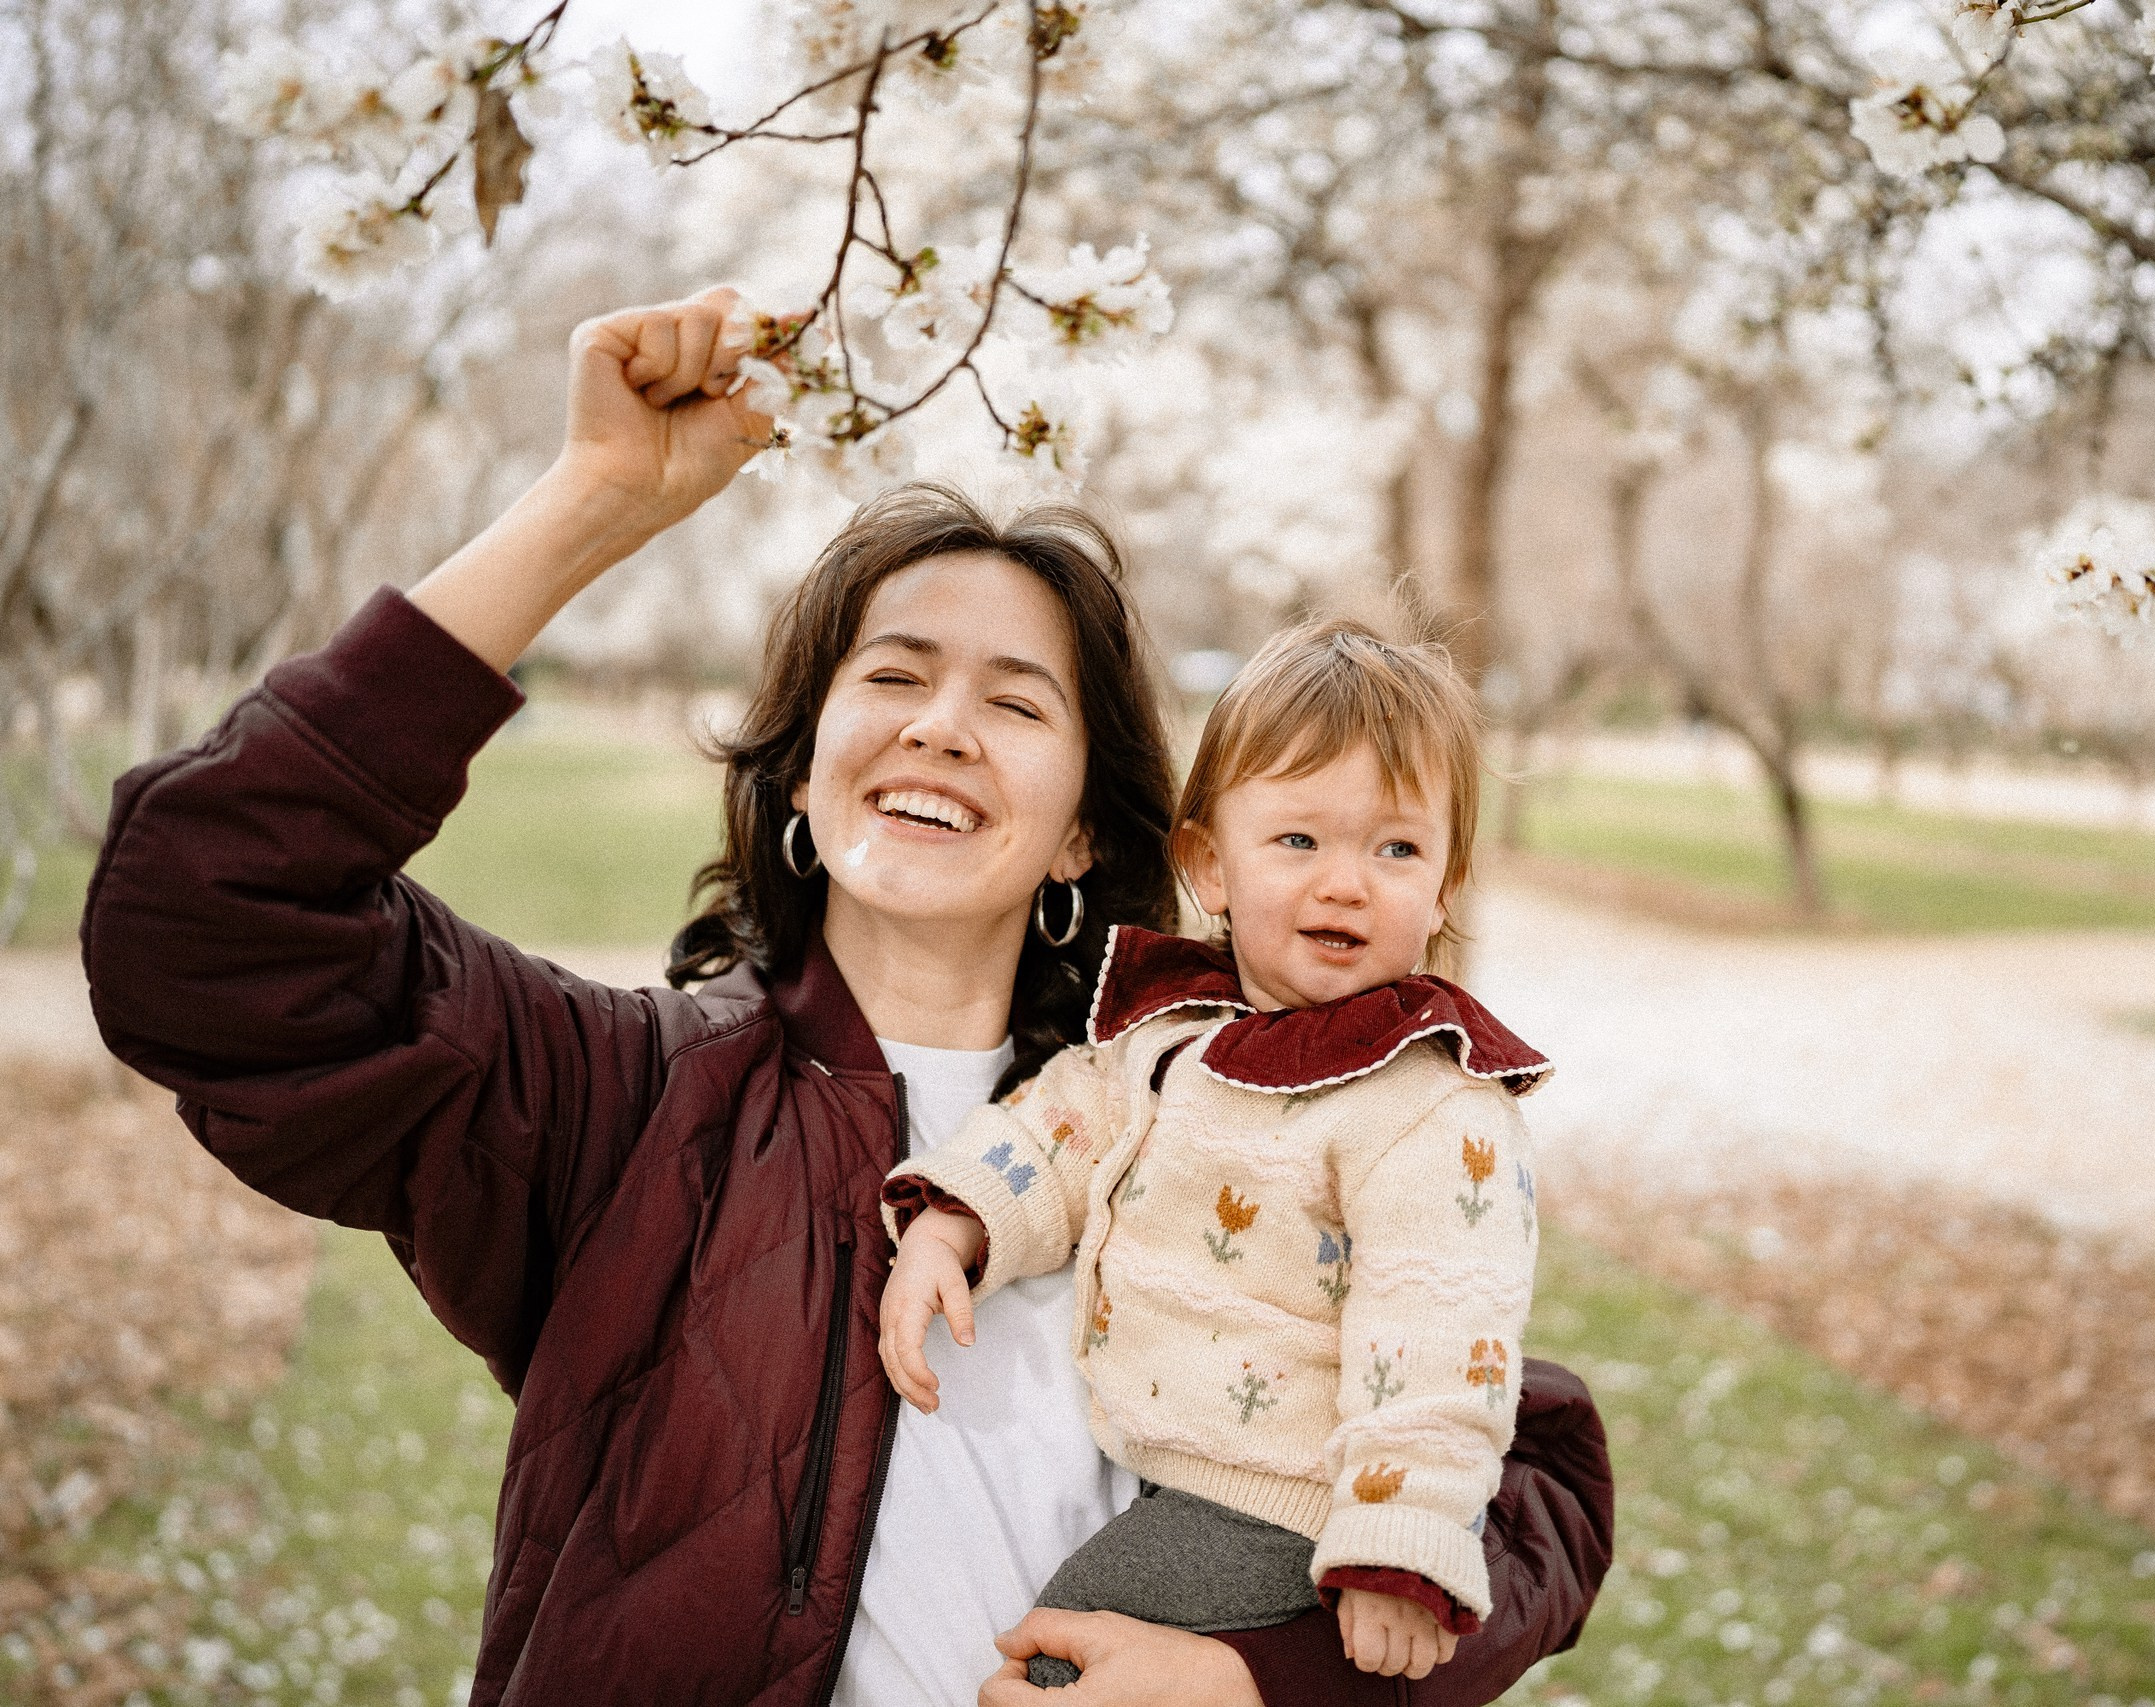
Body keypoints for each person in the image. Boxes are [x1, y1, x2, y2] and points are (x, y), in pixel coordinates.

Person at [80, 287, 1612, 1705]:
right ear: (805, 774)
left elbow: (1535, 1480)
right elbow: (205, 918)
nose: (942, 723)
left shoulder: (1205, 1104)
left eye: (1015, 699)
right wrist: (594, 499)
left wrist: (1256, 1682)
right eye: (891, 676)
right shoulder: (619, 1100)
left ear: (1085, 830)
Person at [879, 621, 1545, 1688]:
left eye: (1396, 849)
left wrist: (1400, 1548)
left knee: (1064, 1656)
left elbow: (1443, 1326)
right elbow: (1060, 1127)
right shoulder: (1175, 1037)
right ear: (1208, 864)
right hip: (1176, 1474)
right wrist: (952, 1225)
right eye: (1298, 840)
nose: (1345, 883)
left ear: (1444, 886)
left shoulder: (1425, 1102)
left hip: (1281, 1506)